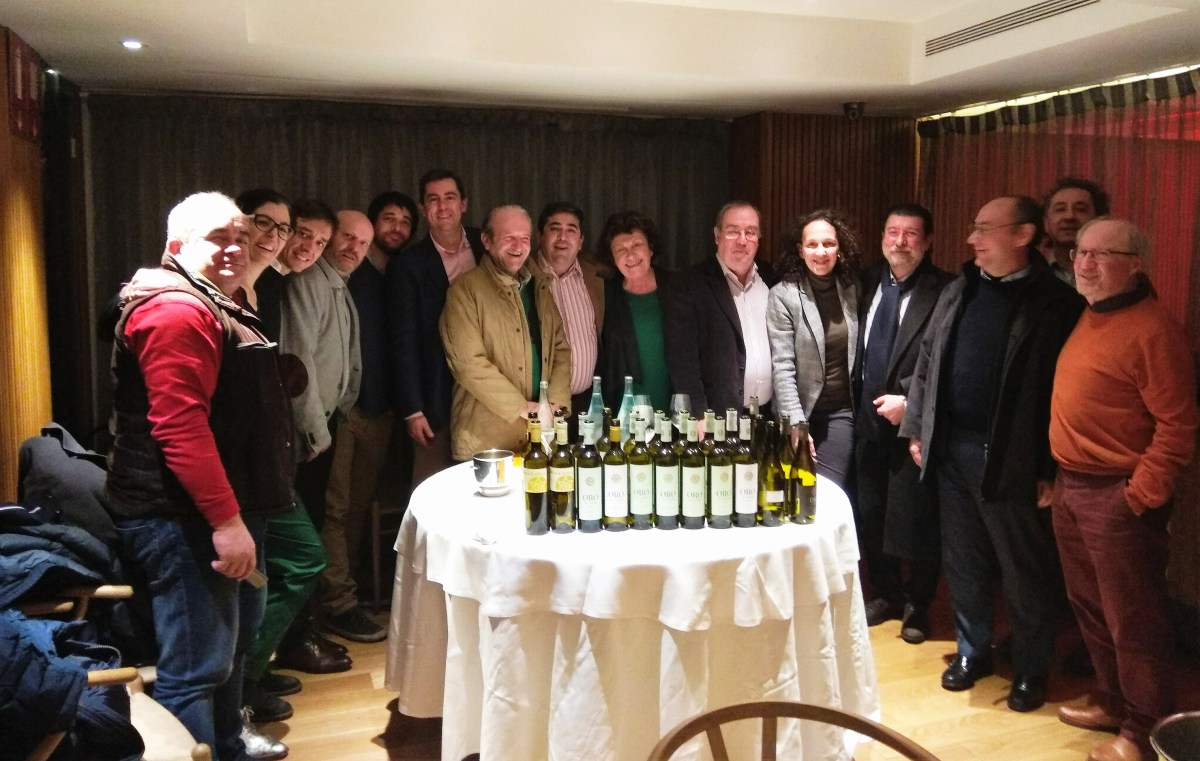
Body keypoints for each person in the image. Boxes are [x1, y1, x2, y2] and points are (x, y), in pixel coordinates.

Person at [104, 192, 293, 759]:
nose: (236, 247)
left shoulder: (216, 300)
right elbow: (180, 428)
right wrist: (226, 522)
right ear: (177, 246)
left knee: (229, 650)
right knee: (196, 667)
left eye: (241, 236)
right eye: (219, 238)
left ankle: (227, 747)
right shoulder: (176, 311)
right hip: (183, 517)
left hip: (224, 510)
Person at [900, 195, 1085, 713]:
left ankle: (1030, 666)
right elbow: (929, 360)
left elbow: (1063, 394)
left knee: (1023, 568)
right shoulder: (961, 289)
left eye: (984, 228)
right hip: (951, 448)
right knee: (963, 560)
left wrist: (1048, 467)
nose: (971, 239)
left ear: (1023, 235)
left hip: (1013, 456)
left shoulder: (1057, 304)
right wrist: (918, 428)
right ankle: (973, 650)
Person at [1050, 218, 1196, 761]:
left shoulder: (1154, 330)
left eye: (1101, 255)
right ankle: (1113, 702)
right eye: (1080, 253)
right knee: (1091, 609)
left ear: (1135, 265)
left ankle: (1143, 732)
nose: (1084, 264)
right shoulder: (1093, 313)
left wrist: (1139, 495)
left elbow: (1178, 426)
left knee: (1133, 621)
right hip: (1072, 485)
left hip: (1116, 496)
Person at [318, 193, 417, 645]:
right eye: (388, 219)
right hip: (343, 411)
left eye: (404, 221)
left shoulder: (395, 275)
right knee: (336, 509)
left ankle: (345, 596)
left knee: (355, 508)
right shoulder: (342, 274)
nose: (396, 227)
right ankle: (336, 602)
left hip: (381, 412)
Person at [853, 204, 953, 643]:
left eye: (911, 234)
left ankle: (919, 604)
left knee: (919, 520)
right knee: (872, 514)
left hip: (914, 427)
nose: (900, 241)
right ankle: (887, 593)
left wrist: (910, 402)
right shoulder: (865, 283)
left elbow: (947, 362)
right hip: (866, 422)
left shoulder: (947, 290)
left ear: (927, 241)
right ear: (882, 237)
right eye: (893, 232)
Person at [439, 204, 571, 458]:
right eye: (509, 237)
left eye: (524, 238)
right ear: (486, 241)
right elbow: (468, 365)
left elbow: (561, 349)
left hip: (541, 436)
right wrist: (524, 408)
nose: (518, 246)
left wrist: (555, 405)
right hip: (487, 441)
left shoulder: (540, 287)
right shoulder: (464, 291)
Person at [387, 169, 485, 484]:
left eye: (450, 197)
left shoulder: (487, 245)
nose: (442, 206)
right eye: (433, 199)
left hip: (489, 390)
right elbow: (403, 340)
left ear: (464, 204)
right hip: (436, 393)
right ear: (422, 207)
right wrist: (413, 409)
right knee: (434, 486)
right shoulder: (408, 264)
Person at [766, 209, 861, 488]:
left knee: (827, 491)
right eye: (812, 244)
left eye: (829, 243)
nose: (821, 252)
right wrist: (796, 423)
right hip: (797, 412)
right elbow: (783, 366)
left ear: (839, 248)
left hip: (839, 413)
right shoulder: (783, 295)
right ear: (800, 250)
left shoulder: (853, 289)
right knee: (796, 494)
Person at [665, 201, 776, 416]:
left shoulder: (770, 278)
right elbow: (682, 360)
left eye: (750, 232)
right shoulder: (689, 284)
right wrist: (698, 414)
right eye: (733, 231)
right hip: (716, 417)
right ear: (717, 236)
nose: (742, 241)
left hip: (768, 415)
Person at [596, 210, 672, 412]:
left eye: (637, 245)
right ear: (612, 258)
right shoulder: (605, 295)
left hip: (677, 408)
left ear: (651, 248)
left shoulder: (678, 288)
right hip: (624, 413)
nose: (630, 255)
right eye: (620, 250)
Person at [535, 202, 605, 420]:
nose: (563, 237)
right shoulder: (524, 276)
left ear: (581, 241)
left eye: (571, 230)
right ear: (540, 236)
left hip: (588, 403)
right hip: (540, 405)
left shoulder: (596, 277)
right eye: (555, 229)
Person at [1040, 176, 1110, 284]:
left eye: (1081, 209)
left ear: (1099, 220)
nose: (1069, 217)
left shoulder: (1114, 273)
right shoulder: (1031, 276)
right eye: (1060, 209)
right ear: (1045, 223)